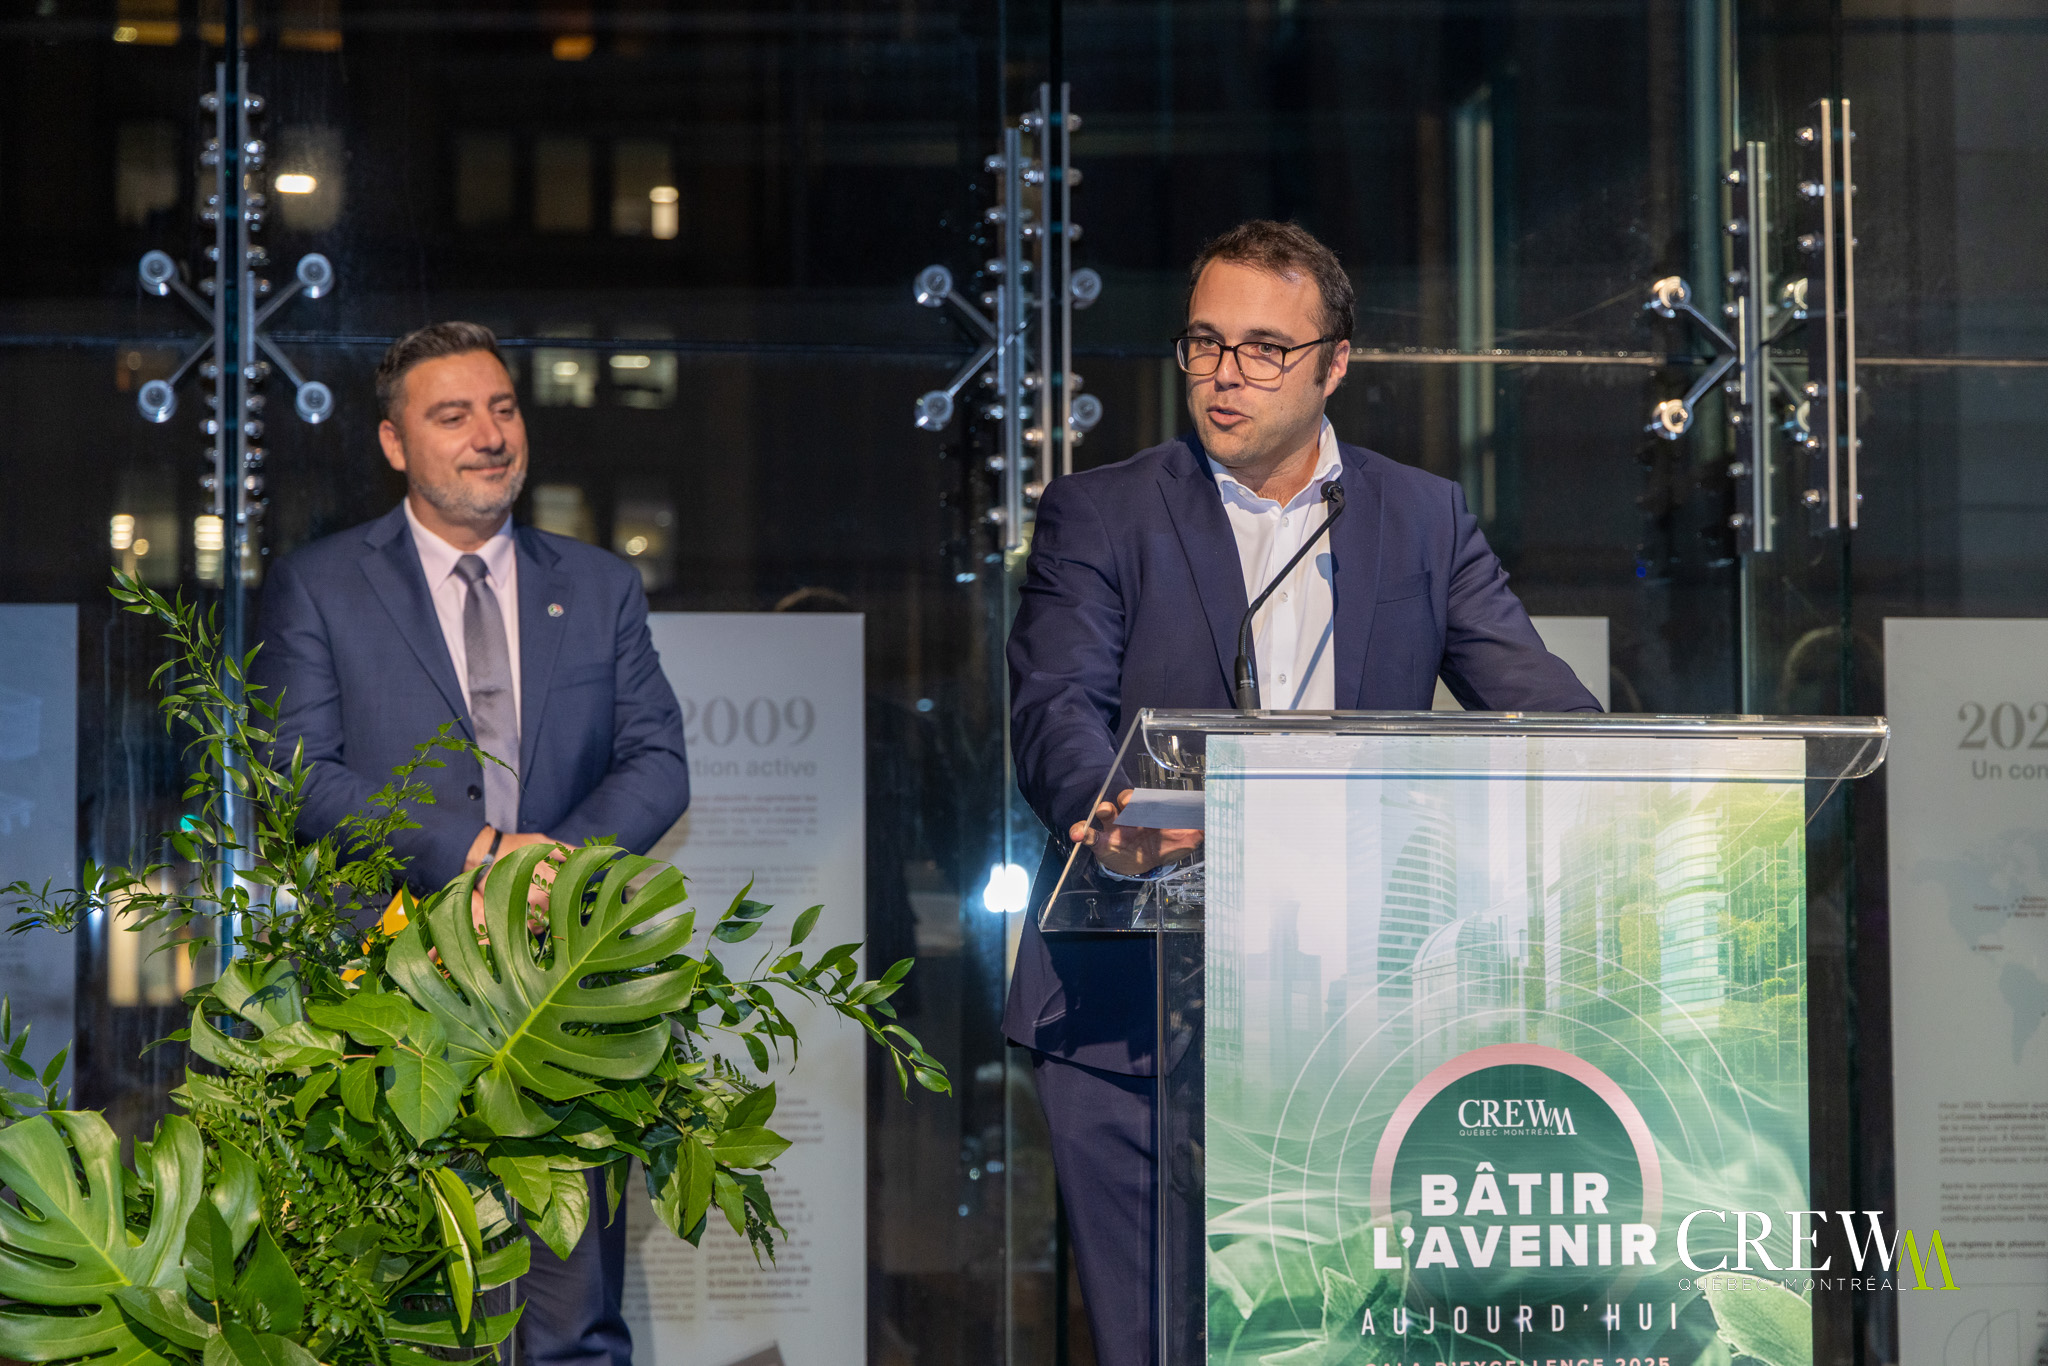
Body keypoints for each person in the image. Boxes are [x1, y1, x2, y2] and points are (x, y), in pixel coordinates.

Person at [1003, 220, 1599, 1366]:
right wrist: (1102, 812)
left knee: (1325, 1339)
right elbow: (1054, 706)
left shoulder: (1420, 518)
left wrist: (1642, 783)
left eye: (1264, 349)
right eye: (1204, 342)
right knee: (1158, 1343)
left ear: (1333, 364)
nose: (1224, 373)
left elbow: (1541, 709)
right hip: (1130, 1008)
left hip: (1355, 1019)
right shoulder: (1101, 511)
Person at [252, 321, 689, 1366]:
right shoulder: (320, 583)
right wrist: (475, 851)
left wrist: (546, 869)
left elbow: (658, 763)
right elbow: (296, 771)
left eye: (502, 408)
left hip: (566, 1002)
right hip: (386, 1005)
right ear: (394, 442)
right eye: (452, 415)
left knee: (573, 1323)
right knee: (412, 1319)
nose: (489, 435)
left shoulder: (599, 584)